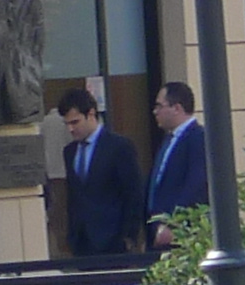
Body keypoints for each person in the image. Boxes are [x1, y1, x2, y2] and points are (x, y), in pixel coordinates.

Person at [55, 89, 145, 260]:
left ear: (91, 114)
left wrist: (129, 237)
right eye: (67, 124)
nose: (70, 129)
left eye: (75, 122)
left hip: (113, 241)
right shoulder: (69, 152)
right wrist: (71, 236)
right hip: (81, 243)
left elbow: (134, 194)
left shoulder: (119, 147)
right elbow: (73, 196)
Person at [141, 80, 209, 250]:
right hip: (157, 232)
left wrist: (173, 223)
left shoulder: (197, 138)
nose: (155, 111)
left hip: (180, 234)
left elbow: (195, 185)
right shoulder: (168, 140)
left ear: (177, 108)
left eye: (159, 106)